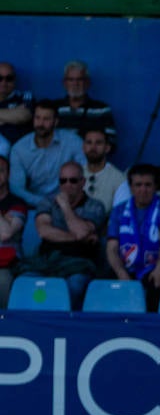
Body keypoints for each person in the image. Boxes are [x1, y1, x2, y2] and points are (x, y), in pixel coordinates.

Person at [29, 160, 109, 306]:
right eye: (63, 181)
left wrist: (65, 206)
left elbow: (82, 231)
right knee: (25, 283)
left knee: (74, 287)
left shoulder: (95, 206)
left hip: (79, 262)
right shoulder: (47, 202)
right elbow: (43, 231)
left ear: (83, 182)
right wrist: (78, 238)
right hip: (47, 259)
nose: (67, 185)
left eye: (73, 181)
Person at [105, 164, 160, 312]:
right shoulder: (119, 211)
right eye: (138, 185)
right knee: (104, 285)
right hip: (127, 268)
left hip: (155, 267)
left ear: (155, 187)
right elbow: (111, 248)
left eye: (148, 185)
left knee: (157, 284)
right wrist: (121, 273)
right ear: (131, 187)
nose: (143, 190)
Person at [9, 100, 85, 208]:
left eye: (46, 119)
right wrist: (43, 202)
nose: (40, 124)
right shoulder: (19, 149)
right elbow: (17, 188)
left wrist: (70, 200)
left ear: (56, 122)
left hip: (70, 203)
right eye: (37, 118)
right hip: (34, 206)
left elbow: (86, 173)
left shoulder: (72, 141)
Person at [54, 60, 116, 151]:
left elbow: (111, 142)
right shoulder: (54, 108)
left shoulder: (101, 110)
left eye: (80, 79)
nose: (75, 84)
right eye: (71, 80)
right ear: (64, 83)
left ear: (87, 83)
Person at [0, 155, 31, 307]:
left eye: (0, 171)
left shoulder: (17, 203)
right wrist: (4, 218)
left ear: (8, 174)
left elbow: (6, 233)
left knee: (2, 280)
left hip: (7, 264)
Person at [81, 127, 125, 213]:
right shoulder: (75, 174)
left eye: (98, 143)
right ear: (83, 147)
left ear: (107, 148)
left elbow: (120, 214)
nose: (93, 147)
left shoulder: (119, 179)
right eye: (89, 142)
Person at [0, 61, 34, 147]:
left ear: (14, 80)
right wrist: (11, 114)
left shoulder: (24, 97)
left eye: (9, 78)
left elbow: (23, 115)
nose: (4, 83)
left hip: (18, 150)